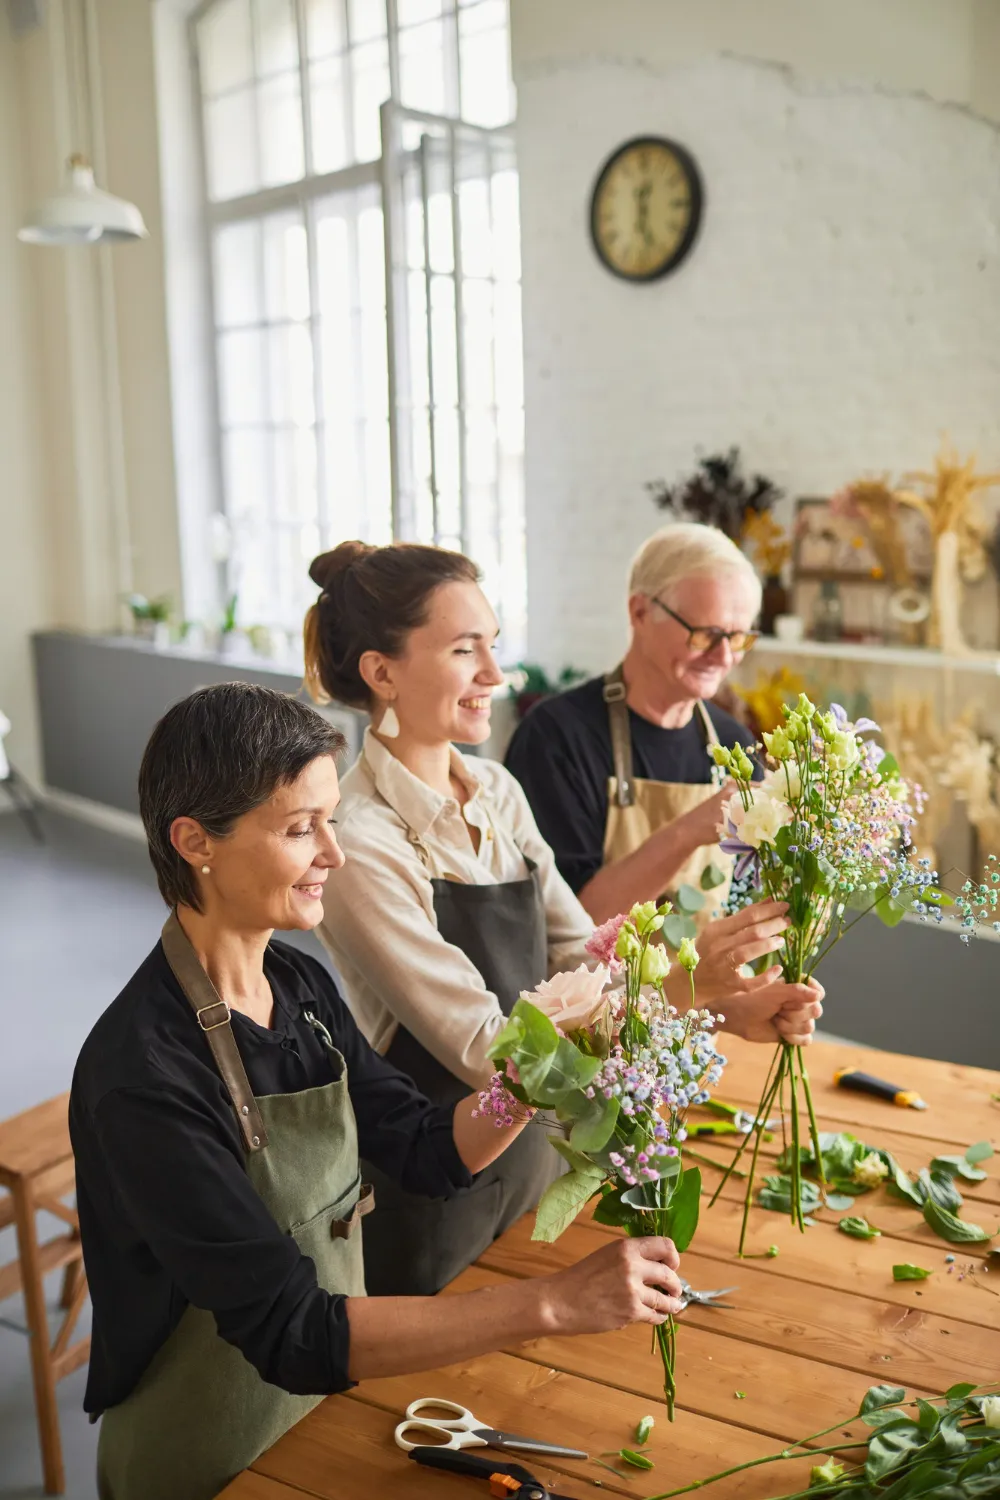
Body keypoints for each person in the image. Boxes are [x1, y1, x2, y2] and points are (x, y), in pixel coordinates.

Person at [69, 683, 686, 1500]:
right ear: (195, 841)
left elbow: (428, 1149)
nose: (337, 853)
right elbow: (290, 1329)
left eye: (331, 819)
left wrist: (538, 1071)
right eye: (301, 829)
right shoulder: (144, 1076)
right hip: (206, 1450)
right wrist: (549, 1306)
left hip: (322, 1404)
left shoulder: (297, 985)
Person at [305, 541, 823, 1299]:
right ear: (382, 672)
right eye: (463, 650)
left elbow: (580, 958)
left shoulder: (496, 791)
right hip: (435, 1205)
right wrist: (687, 987)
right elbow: (493, 1054)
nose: (496, 675)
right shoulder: (361, 840)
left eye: (494, 646)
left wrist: (725, 1005)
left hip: (540, 1167)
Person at [505, 522, 763, 927]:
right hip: (593, 991)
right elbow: (571, 926)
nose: (724, 657)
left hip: (706, 991)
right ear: (639, 611)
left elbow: (746, 905)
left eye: (738, 638)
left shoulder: (734, 744)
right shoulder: (556, 737)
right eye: (705, 635)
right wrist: (691, 829)